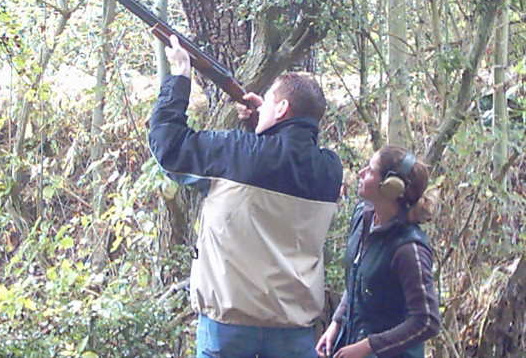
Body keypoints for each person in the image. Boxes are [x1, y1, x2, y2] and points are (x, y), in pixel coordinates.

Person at [148, 35, 343, 357]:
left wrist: (180, 75)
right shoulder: (329, 170)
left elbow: (168, 146)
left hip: (229, 326)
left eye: (268, 101)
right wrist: (264, 125)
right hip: (294, 330)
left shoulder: (237, 150)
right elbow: (278, 163)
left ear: (281, 108)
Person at [316, 145, 440, 358]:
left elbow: (427, 321)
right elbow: (357, 277)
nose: (362, 173)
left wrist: (368, 346)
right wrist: (336, 324)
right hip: (353, 343)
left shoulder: (409, 250)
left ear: (390, 187)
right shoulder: (362, 216)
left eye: (371, 171)